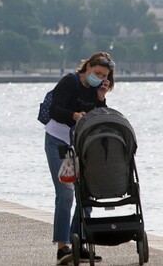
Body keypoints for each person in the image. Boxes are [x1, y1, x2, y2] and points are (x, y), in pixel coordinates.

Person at [45, 52, 114, 265]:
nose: (99, 77)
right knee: (66, 194)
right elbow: (55, 110)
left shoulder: (96, 91)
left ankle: (78, 243)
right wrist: (74, 116)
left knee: (86, 194)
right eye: (97, 73)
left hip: (82, 145)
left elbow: (101, 119)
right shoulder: (69, 81)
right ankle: (62, 248)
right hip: (59, 141)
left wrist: (101, 98)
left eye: (104, 76)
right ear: (87, 68)